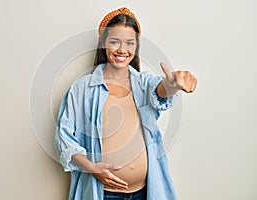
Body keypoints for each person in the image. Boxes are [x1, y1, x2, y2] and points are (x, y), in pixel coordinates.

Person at [55, 7, 197, 200]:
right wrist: (93, 169)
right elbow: (64, 139)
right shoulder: (81, 89)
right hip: (105, 194)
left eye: (130, 43)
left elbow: (161, 91)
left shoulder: (143, 83)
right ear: (103, 42)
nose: (123, 50)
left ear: (136, 45)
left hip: (145, 192)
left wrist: (173, 85)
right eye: (115, 42)